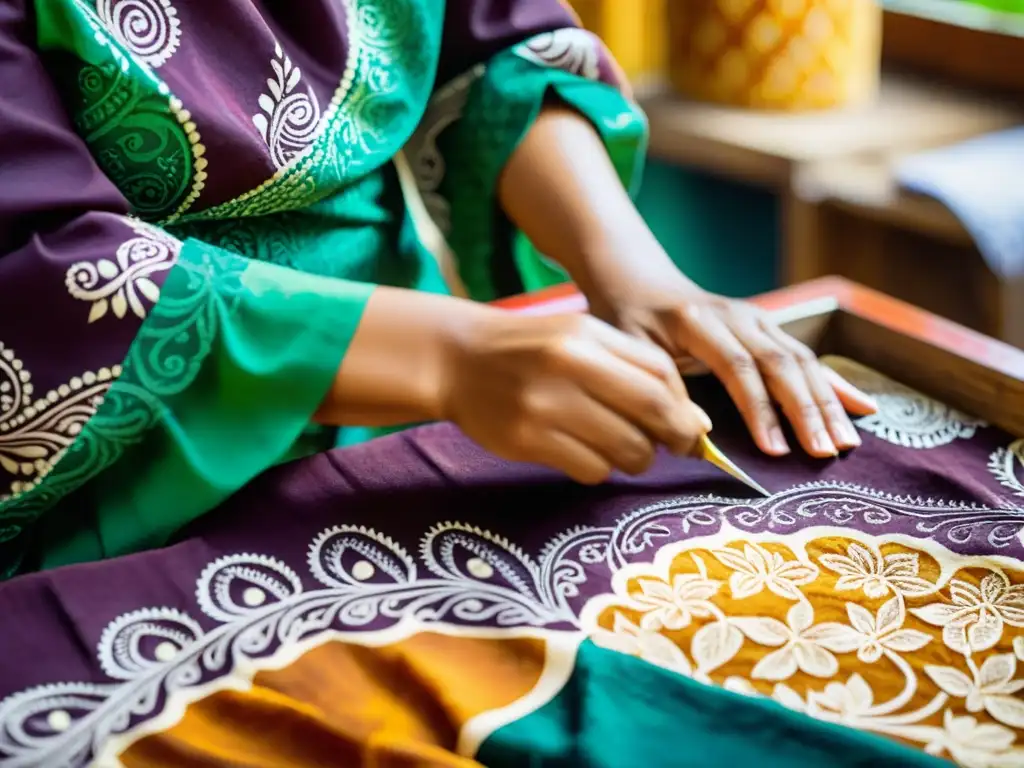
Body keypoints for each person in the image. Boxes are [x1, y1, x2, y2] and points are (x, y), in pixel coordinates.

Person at [0, 0, 875, 578]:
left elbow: (492, 45)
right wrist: (453, 355)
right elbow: (38, 261)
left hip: (417, 403)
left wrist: (636, 275)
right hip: (122, 459)